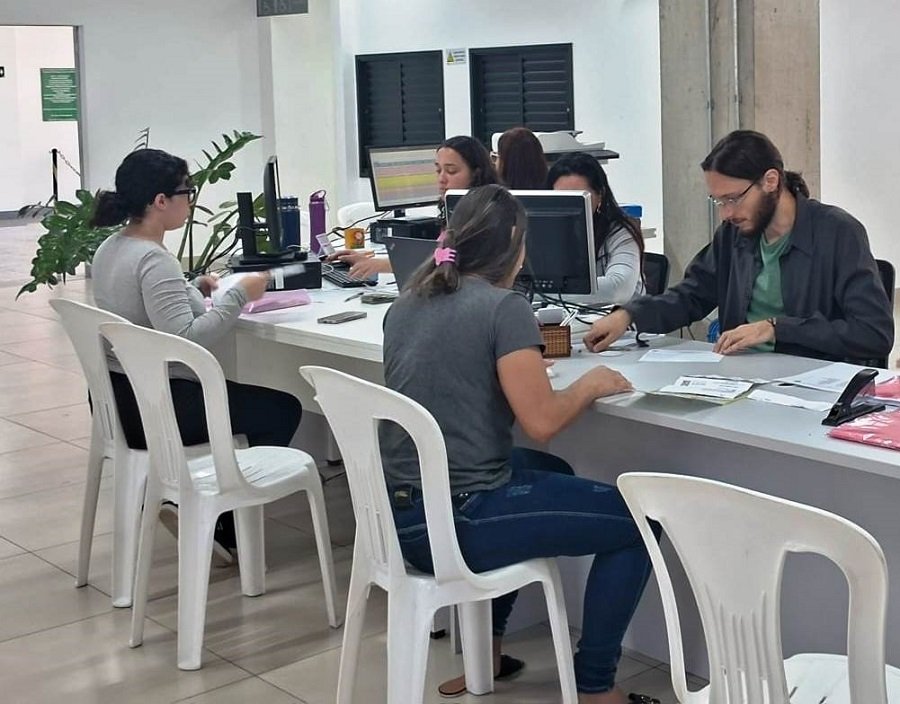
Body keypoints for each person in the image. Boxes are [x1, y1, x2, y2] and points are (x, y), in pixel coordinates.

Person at [380, 184, 657, 703]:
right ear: (514, 242)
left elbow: (452, 370)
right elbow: (542, 421)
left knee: (553, 472)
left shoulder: (408, 301)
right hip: (458, 519)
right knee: (640, 523)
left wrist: (514, 364)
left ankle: (487, 651)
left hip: (402, 515)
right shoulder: (503, 307)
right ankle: (596, 686)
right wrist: (590, 384)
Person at [90, 148, 303, 562]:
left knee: (253, 400)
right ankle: (223, 522)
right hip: (160, 407)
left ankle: (196, 503)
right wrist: (240, 295)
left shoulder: (112, 248)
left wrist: (192, 288)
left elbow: (146, 308)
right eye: (187, 191)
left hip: (118, 401)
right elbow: (185, 339)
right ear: (160, 200)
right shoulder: (153, 259)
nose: (191, 200)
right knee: (283, 410)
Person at [584, 130, 893, 363]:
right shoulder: (734, 235)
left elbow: (873, 333)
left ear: (770, 181)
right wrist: (629, 315)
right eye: (719, 201)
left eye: (733, 199)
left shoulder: (838, 232)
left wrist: (776, 328)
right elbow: (690, 295)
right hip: (739, 377)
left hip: (812, 386)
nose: (726, 213)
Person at [330, 135, 498, 279]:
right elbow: (436, 257)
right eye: (438, 170)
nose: (441, 179)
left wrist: (379, 265)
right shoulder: (454, 210)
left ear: (476, 174)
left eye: (451, 171)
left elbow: (450, 263)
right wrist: (370, 260)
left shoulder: (487, 214)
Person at [549, 153, 646, 305]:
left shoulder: (622, 232)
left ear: (600, 195)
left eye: (578, 198)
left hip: (619, 317)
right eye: (560, 199)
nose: (569, 207)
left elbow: (618, 289)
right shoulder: (545, 233)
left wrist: (545, 291)